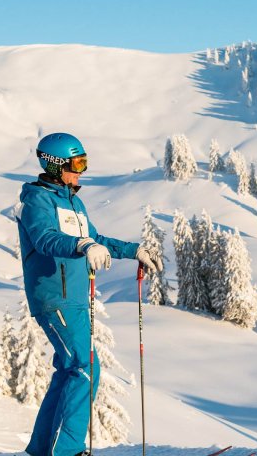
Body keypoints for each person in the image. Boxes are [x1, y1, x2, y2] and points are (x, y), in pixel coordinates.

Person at [16, 132, 162, 456]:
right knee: (85, 367)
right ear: (54, 165)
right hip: (54, 297)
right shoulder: (36, 200)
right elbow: (46, 239)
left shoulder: (73, 202)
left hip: (77, 299)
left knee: (70, 370)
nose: (81, 170)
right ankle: (66, 451)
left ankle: (41, 450)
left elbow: (96, 238)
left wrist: (133, 250)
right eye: (76, 163)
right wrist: (82, 245)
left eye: (84, 162)